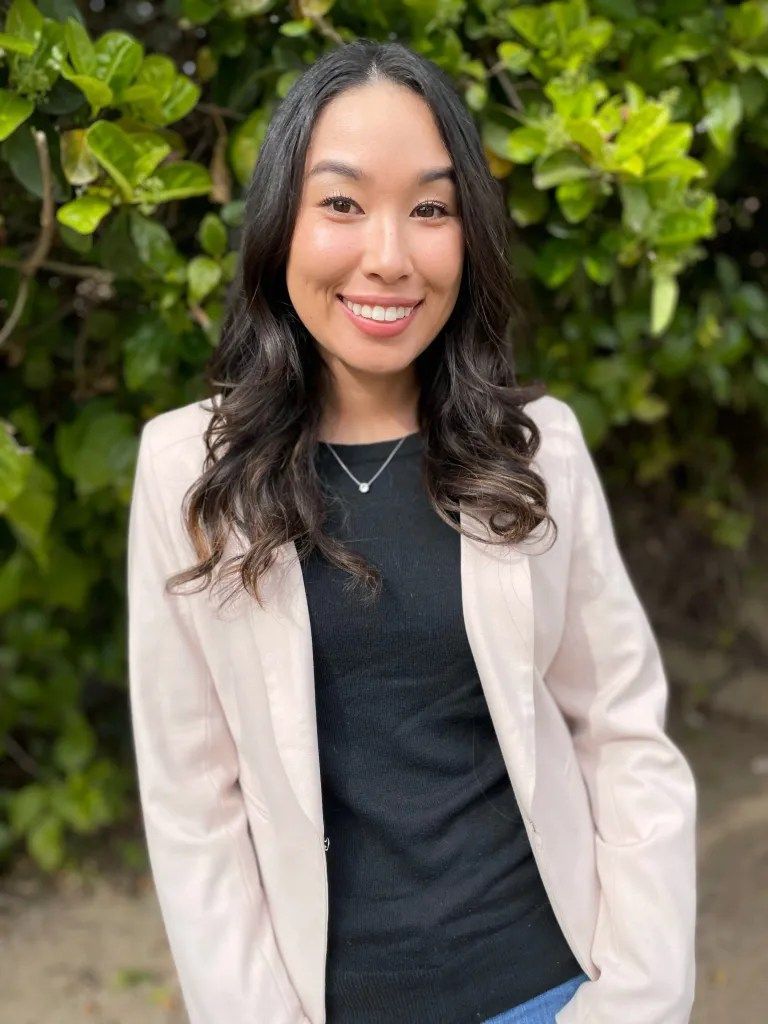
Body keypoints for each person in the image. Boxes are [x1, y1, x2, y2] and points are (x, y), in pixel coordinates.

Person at [126, 39, 697, 1024]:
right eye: (342, 202)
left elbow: (621, 730)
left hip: (551, 991)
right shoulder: (190, 473)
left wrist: (631, 997)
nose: (388, 255)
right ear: (280, 226)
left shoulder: (534, 448)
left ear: (467, 232)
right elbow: (195, 812)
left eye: (430, 208)